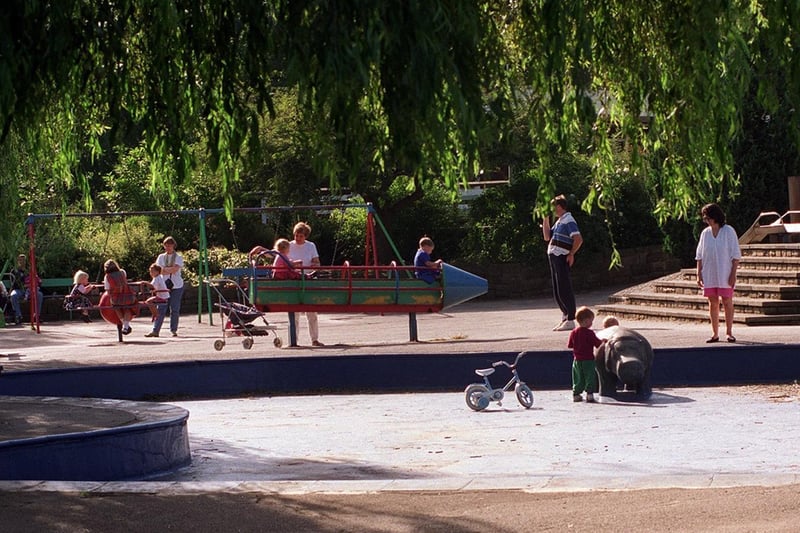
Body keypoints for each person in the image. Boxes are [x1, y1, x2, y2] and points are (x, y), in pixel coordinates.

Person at [695, 202, 741, 343]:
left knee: (727, 301)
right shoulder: (705, 233)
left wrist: (733, 273)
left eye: (708, 218)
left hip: (725, 272)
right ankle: (715, 333)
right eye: (705, 218)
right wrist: (699, 273)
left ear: (715, 217)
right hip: (710, 272)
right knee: (712, 302)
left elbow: (735, 255)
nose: (706, 221)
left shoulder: (728, 231)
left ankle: (729, 332)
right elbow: (700, 254)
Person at [542, 194, 583, 332]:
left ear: (559, 206)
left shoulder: (568, 220)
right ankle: (565, 316)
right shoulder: (560, 221)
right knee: (557, 289)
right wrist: (545, 219)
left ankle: (571, 317)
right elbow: (547, 236)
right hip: (554, 256)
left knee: (564, 287)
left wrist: (571, 253)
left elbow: (578, 238)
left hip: (561, 256)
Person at [289, 222, 323, 346]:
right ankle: (294, 340)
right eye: (296, 235)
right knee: (294, 313)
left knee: (312, 312)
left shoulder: (310, 246)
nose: (298, 238)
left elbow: (316, 262)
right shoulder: (289, 245)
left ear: (305, 236)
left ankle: (314, 339)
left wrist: (313, 267)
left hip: (307, 279)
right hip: (294, 280)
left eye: (301, 236)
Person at [567, 306, 605, 403]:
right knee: (589, 376)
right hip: (588, 359)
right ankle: (589, 394)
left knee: (578, 377)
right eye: (591, 321)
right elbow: (598, 344)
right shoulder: (590, 333)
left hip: (577, 360)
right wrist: (604, 341)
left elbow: (570, 345)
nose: (592, 323)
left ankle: (576, 394)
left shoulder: (573, 332)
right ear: (586, 320)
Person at [154, 236, 185, 337]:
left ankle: (173, 329)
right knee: (161, 308)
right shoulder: (161, 257)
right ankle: (156, 330)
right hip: (164, 285)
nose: (168, 247)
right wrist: (168, 269)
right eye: (166, 245)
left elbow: (175, 270)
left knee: (174, 309)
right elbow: (158, 270)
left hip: (176, 285)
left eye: (170, 245)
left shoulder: (178, 257)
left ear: (173, 246)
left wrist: (165, 269)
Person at [103, 259, 135, 335]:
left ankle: (124, 324)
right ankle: (126, 326)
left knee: (116, 307)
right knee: (128, 308)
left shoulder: (107, 276)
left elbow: (107, 290)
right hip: (128, 296)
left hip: (116, 298)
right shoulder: (123, 272)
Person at [9, 254, 43, 325]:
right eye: (20, 260)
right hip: (19, 290)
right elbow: (13, 283)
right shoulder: (14, 271)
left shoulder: (30, 270)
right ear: (18, 261)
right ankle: (18, 316)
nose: (22, 262)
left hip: (30, 289)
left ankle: (36, 315)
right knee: (13, 295)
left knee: (39, 295)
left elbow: (37, 280)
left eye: (24, 260)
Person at [144, 263, 170, 336]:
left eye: (152, 271)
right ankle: (155, 329)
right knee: (159, 314)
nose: (151, 273)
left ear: (157, 272)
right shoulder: (157, 278)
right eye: (150, 271)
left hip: (162, 297)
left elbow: (153, 286)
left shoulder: (158, 278)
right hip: (160, 296)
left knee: (149, 302)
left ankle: (155, 314)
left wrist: (145, 283)